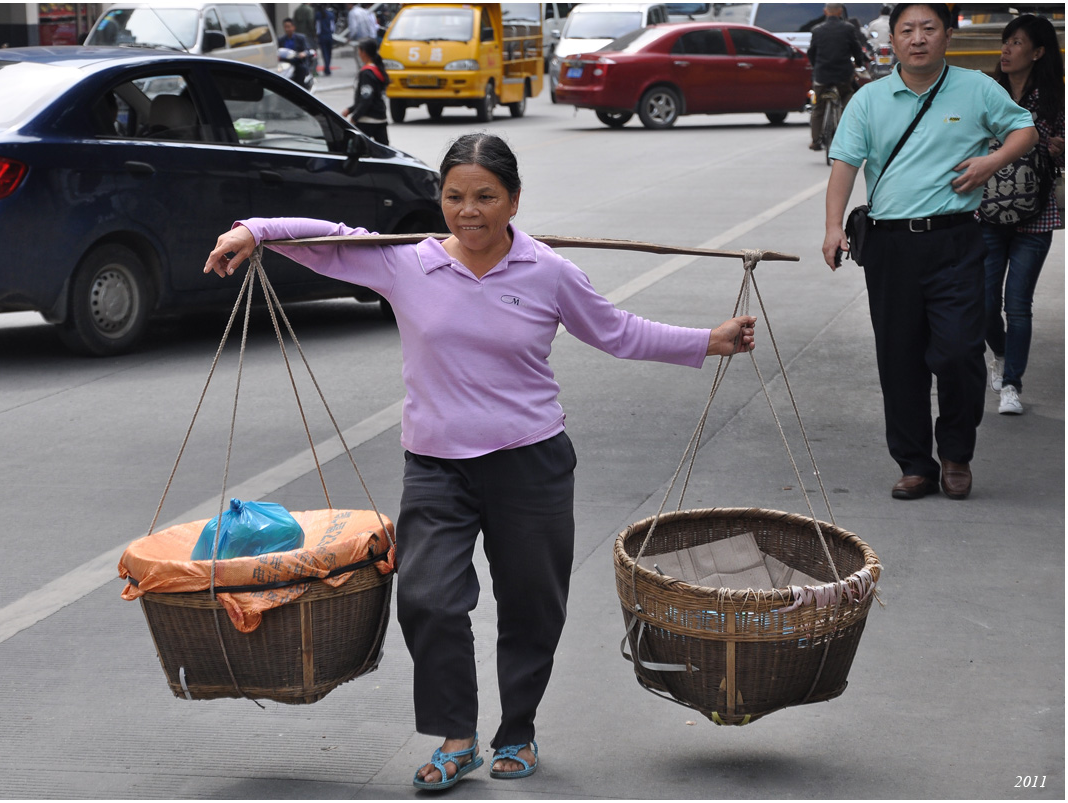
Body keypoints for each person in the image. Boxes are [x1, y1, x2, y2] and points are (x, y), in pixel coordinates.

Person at [203, 133, 756, 791]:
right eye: (455, 196)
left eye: (485, 197)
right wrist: (254, 230)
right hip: (437, 467)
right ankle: (457, 737)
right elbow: (333, 239)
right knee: (429, 597)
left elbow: (617, 330)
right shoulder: (407, 264)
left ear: (513, 200)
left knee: (531, 605)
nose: (469, 210)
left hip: (532, 463)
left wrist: (708, 341)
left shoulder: (548, 271)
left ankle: (516, 729)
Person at [822, 3, 1038, 501]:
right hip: (891, 246)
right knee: (898, 358)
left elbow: (1023, 129)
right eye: (907, 30)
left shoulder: (977, 88)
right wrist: (833, 226)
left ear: (947, 35)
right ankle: (915, 463)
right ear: (892, 40)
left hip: (957, 240)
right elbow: (844, 164)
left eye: (928, 28)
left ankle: (956, 453)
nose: (917, 38)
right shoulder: (868, 99)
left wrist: (991, 162)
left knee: (961, 351)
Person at [978, 14, 1065, 416]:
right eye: (1006, 41)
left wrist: (1057, 146)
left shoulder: (1055, 97)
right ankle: (1000, 351)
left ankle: (1011, 383)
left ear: (1039, 51)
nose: (1007, 50)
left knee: (1018, 304)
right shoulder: (986, 91)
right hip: (990, 210)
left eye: (1017, 42)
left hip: (1037, 212)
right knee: (983, 301)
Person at [808, 3, 868, 151]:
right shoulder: (848, 28)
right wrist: (859, 63)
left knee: (818, 108)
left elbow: (811, 52)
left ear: (825, 12)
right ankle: (846, 135)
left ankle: (815, 141)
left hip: (822, 75)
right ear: (840, 12)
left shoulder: (817, 30)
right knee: (848, 97)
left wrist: (816, 66)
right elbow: (856, 49)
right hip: (843, 75)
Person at [342, 39, 389, 144]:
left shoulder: (367, 73)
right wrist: (350, 109)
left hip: (367, 120)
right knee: (384, 153)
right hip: (381, 117)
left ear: (363, 52)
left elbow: (366, 99)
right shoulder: (378, 69)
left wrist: (355, 117)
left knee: (355, 151)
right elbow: (371, 95)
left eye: (359, 51)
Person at [278, 18, 313, 87]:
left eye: (288, 27)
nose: (286, 29)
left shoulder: (301, 38)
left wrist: (303, 54)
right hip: (285, 63)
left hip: (297, 62)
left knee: (302, 69)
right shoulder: (281, 39)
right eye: (285, 27)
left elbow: (307, 50)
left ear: (293, 27)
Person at [347, 2, 378, 68]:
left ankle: (361, 69)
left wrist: (350, 37)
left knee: (359, 55)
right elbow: (369, 23)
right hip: (367, 36)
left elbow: (353, 27)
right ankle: (367, 67)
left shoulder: (352, 13)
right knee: (366, 54)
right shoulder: (363, 11)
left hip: (358, 38)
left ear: (350, 4)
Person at [315, 4, 336, 76]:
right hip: (329, 35)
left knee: (325, 53)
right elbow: (332, 27)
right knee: (329, 53)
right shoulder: (331, 14)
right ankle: (327, 67)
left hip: (322, 36)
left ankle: (326, 67)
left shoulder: (318, 14)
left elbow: (318, 28)